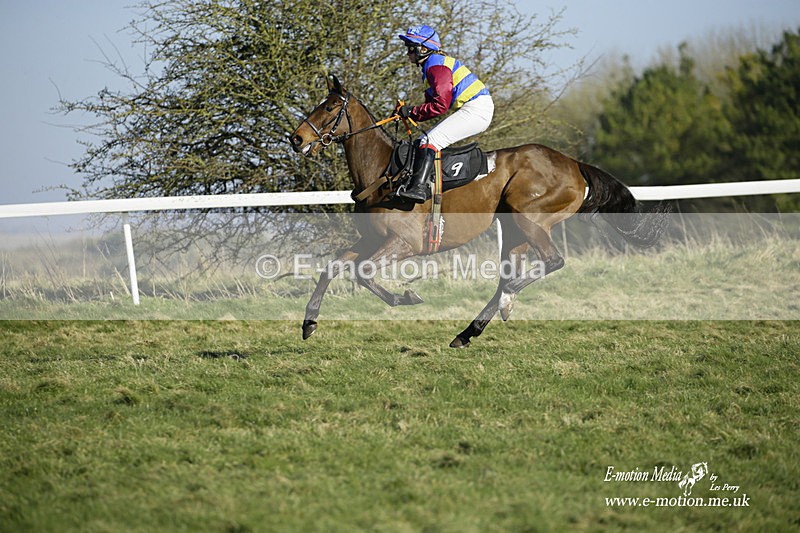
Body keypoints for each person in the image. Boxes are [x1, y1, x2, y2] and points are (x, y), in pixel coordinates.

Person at [395, 25, 494, 203]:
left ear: (423, 48)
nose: (408, 52)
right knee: (422, 141)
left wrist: (411, 111)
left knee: (429, 141)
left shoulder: (436, 66)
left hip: (476, 109)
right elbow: (431, 106)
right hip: (475, 107)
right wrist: (411, 113)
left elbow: (441, 105)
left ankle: (418, 188)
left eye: (411, 47)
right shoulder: (431, 66)